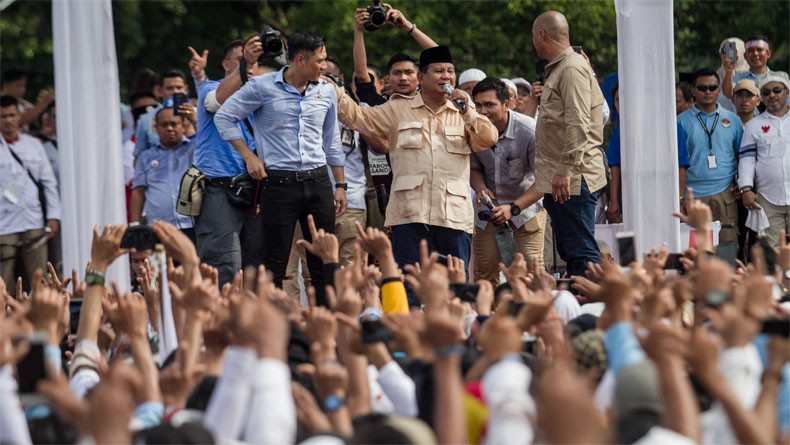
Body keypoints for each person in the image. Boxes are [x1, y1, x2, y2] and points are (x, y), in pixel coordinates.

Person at [334, 45, 498, 304]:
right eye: (439, 71)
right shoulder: (398, 108)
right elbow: (358, 117)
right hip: (409, 214)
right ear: (421, 77)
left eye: (450, 71)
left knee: (456, 289)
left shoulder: (463, 111)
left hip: (452, 215)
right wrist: (333, 90)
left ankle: (455, 329)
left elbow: (488, 139)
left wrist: (468, 111)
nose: (446, 76)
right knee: (408, 287)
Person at [214, 31, 347, 307]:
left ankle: (328, 323)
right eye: (320, 61)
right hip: (278, 184)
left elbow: (332, 140)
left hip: (318, 181)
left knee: (324, 260)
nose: (324, 66)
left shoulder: (326, 90)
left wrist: (340, 185)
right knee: (274, 262)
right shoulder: (262, 87)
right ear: (299, 60)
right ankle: (272, 324)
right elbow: (224, 116)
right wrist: (249, 156)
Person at [530, 11, 607, 277]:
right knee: (571, 252)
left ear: (542, 35)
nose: (533, 41)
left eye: (533, 35)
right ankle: (582, 297)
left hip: (574, 176)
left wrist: (564, 170)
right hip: (562, 177)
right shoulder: (560, 68)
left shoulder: (571, 69)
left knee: (582, 253)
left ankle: (593, 301)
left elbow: (578, 124)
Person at [191, 38, 266, 286]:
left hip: (255, 192)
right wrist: (245, 66)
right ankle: (220, 313)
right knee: (225, 269)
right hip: (219, 191)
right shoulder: (209, 89)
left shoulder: (262, 95)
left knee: (256, 272)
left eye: (255, 61)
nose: (251, 66)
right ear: (226, 65)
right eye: (242, 59)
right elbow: (217, 101)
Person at [470, 77, 546, 283]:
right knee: (484, 273)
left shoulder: (529, 130)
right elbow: (474, 167)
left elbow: (545, 180)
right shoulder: (472, 128)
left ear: (507, 104)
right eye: (478, 105)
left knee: (532, 273)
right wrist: (480, 187)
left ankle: (535, 305)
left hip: (526, 210)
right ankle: (488, 305)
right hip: (489, 211)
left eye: (489, 105)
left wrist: (513, 208)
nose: (482, 111)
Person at [0, 95, 61, 292]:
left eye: (12, 115)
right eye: (3, 116)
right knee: (3, 281)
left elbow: (49, 183)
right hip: (4, 223)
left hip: (33, 218)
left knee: (40, 277)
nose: (8, 120)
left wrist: (53, 216)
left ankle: (41, 310)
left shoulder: (34, 144)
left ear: (19, 116)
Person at [606, 83, 690, 223]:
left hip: (665, 197)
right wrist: (614, 200)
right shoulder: (624, 128)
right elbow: (615, 166)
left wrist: (680, 200)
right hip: (632, 197)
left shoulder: (674, 129)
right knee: (633, 236)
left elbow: (680, 167)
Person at [677, 68, 743, 245]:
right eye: (702, 88)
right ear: (693, 91)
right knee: (697, 249)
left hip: (725, 192)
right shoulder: (680, 121)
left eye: (712, 88)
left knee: (727, 248)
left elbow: (741, 156)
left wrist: (741, 183)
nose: (708, 92)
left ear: (719, 90)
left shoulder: (733, 120)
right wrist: (680, 198)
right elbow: (677, 164)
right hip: (693, 194)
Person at [738, 74, 790, 248]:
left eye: (777, 90)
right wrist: (746, 188)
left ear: (787, 92)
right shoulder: (753, 125)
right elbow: (746, 159)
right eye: (766, 92)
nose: (772, 95)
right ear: (761, 97)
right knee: (771, 251)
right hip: (768, 198)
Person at [131, 106, 197, 242]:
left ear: (183, 125)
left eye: (174, 124)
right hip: (159, 228)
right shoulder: (146, 157)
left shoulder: (195, 149)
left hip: (192, 225)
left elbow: (208, 140)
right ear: (156, 128)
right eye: (164, 125)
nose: (170, 128)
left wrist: (195, 121)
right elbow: (138, 191)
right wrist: (135, 225)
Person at [134, 68, 190, 158]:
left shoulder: (198, 115)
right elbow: (139, 156)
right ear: (159, 91)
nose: (175, 92)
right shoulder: (146, 119)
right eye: (169, 88)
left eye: (179, 88)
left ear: (186, 89)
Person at [723, 36, 790, 103]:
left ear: (768, 54)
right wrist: (729, 71)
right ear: (745, 56)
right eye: (750, 50)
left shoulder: (781, 79)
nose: (755, 53)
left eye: (759, 50)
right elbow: (728, 94)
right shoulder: (737, 78)